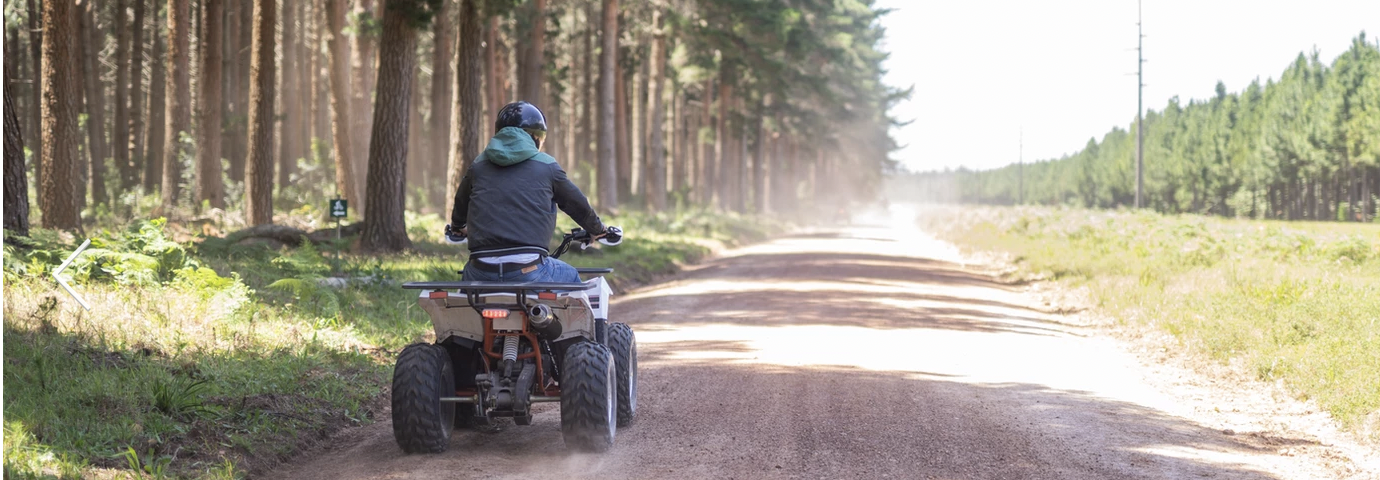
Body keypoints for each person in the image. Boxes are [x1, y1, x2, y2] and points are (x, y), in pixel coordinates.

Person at [447, 101, 618, 284]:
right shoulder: (547, 165)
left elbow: (461, 204)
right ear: (535, 138)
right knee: (572, 281)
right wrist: (598, 230)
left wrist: (457, 227)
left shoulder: (478, 166)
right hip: (529, 270)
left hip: (480, 270)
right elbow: (577, 205)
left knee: (465, 301)